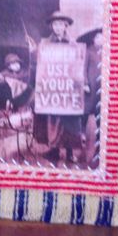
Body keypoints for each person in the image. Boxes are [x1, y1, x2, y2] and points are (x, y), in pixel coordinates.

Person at [34, 11, 84, 165]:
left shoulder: (73, 45)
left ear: (65, 26)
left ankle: (69, 153)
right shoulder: (45, 45)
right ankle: (54, 150)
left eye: (61, 24)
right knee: (53, 121)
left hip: (68, 89)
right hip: (53, 89)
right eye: (55, 24)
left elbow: (78, 65)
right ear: (51, 26)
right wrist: (34, 51)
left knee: (69, 121)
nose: (58, 27)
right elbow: (41, 65)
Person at [83, 29, 102, 165]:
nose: (100, 39)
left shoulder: (107, 52)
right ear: (93, 39)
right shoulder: (88, 51)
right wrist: (85, 83)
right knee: (84, 114)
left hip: (101, 90)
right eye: (97, 37)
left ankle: (98, 148)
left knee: (100, 116)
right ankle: (81, 139)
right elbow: (83, 69)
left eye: (102, 37)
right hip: (90, 88)